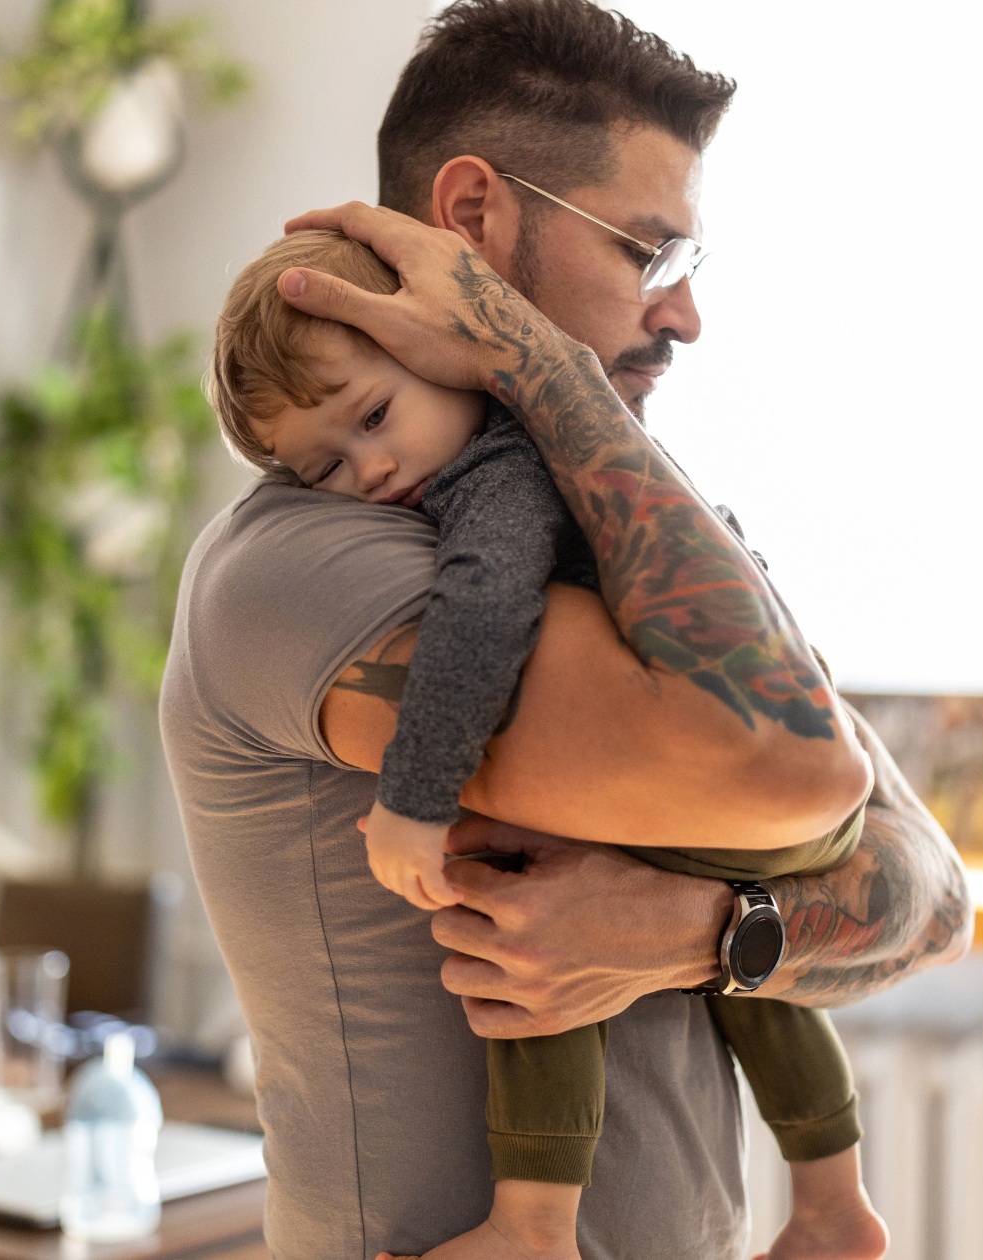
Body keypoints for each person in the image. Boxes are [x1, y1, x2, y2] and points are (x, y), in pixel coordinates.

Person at [159, 3, 972, 1257]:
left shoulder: (632, 515)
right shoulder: (309, 561)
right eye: (646, 252)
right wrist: (543, 365)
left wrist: (702, 933)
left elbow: (925, 889)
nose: (685, 315)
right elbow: (796, 775)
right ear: (474, 219)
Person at [207, 227, 886, 1260]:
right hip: (781, 813)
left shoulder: (497, 474)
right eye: (324, 466)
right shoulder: (592, 470)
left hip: (757, 783)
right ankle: (835, 1204)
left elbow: (482, 609)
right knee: (742, 982)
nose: (372, 466)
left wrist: (417, 797)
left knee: (523, 922)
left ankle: (530, 1227)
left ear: (438, 350)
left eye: (375, 417)